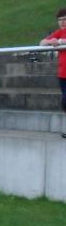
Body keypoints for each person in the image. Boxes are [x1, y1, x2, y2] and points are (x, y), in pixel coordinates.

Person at [39, 8, 66, 138]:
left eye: (65, 19)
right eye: (60, 20)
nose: (62, 22)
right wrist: (51, 42)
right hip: (63, 74)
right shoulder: (59, 32)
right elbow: (41, 43)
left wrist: (59, 42)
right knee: (65, 102)